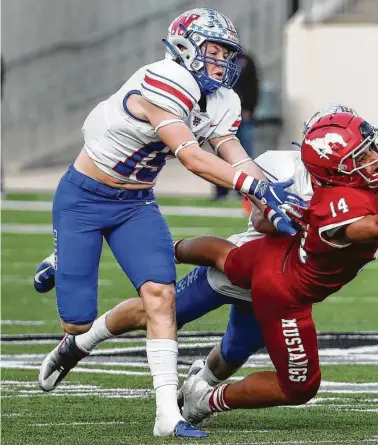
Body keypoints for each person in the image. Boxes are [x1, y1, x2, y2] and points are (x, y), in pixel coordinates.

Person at [35, 8, 306, 439]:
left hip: (135, 202)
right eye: (213, 50)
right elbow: (191, 156)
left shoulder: (222, 99)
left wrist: (271, 193)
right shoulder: (162, 78)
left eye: (225, 53)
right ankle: (62, 258)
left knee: (160, 297)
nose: (221, 61)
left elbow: (235, 155)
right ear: (184, 46)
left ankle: (167, 415)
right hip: (83, 199)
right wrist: (253, 186)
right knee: (77, 321)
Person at [174, 112, 378, 425]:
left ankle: (172, 250)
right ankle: (205, 401)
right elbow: (377, 225)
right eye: (360, 157)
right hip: (284, 290)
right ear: (335, 172)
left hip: (276, 253)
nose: (375, 157)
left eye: (369, 147)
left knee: (226, 258)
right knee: (299, 387)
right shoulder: (333, 205)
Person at [215, 51, 260, 200]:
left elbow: (254, 85)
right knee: (222, 152)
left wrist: (250, 109)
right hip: (223, 114)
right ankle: (221, 191)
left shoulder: (246, 60)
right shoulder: (218, 60)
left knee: (243, 153)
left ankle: (245, 191)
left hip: (243, 113)